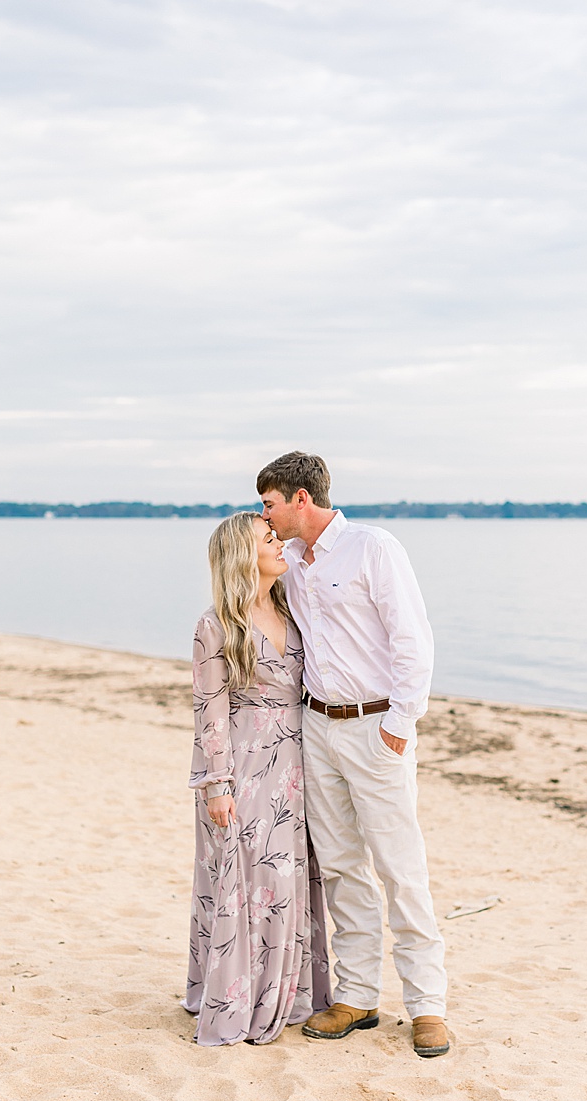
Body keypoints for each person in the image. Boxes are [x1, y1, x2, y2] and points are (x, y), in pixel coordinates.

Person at [256, 451, 451, 1059]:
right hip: (317, 727)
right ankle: (358, 996)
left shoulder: (374, 548)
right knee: (341, 866)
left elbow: (412, 638)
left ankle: (428, 1006)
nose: (264, 515)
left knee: (400, 866)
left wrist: (400, 723)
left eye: (269, 504)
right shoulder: (289, 560)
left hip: (376, 728)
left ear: (301, 499)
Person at [183, 511, 332, 1045]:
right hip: (244, 769)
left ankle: (288, 991)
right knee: (248, 879)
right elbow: (209, 709)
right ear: (243, 557)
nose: (278, 543)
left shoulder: (292, 608)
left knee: (289, 879)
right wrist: (217, 785)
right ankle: (238, 999)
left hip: (298, 762)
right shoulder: (217, 624)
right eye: (268, 539)